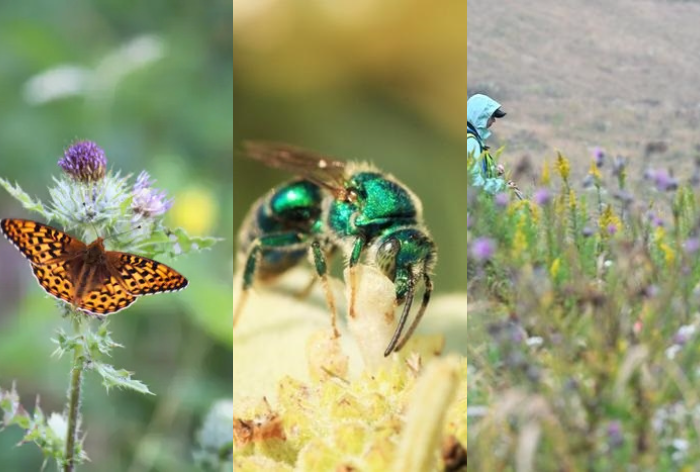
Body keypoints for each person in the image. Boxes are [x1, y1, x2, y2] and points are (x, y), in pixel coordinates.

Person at [467, 93, 510, 194]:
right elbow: (476, 183)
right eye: (491, 116)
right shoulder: (470, 142)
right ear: (480, 116)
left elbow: (477, 172)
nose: (494, 121)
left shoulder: (474, 139)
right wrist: (502, 186)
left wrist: (493, 171)